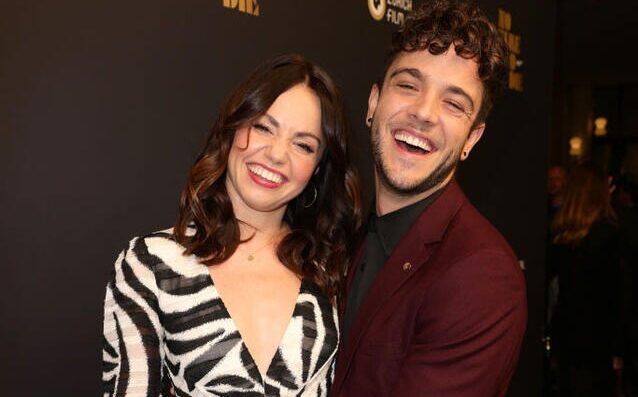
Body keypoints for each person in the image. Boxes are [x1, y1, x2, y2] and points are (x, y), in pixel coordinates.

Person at [102, 54, 361, 396]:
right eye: (264, 127)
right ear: (234, 127)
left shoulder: (331, 272)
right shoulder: (151, 265)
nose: (276, 154)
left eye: (303, 144)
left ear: (317, 168)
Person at [332, 1, 527, 396]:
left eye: (454, 104)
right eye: (408, 85)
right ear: (373, 103)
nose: (423, 113)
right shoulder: (342, 233)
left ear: (472, 138)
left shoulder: (481, 275)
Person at [549, 164, 623, 397]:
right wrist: (620, 349)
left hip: (566, 335)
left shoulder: (560, 236)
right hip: (598, 341)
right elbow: (619, 296)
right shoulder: (609, 235)